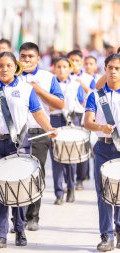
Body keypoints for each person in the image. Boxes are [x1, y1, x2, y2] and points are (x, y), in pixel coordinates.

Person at [0, 51, 56, 249]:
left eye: (8, 66)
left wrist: (49, 129)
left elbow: (38, 113)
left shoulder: (27, 89)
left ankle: (19, 228)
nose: (4, 69)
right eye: (0, 65)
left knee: (18, 187)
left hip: (18, 144)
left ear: (15, 67)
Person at [18, 42, 64, 231]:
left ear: (38, 59)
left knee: (36, 174)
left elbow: (60, 103)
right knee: (17, 175)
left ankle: (33, 216)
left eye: (30, 56)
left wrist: (39, 90)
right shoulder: (10, 74)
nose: (26, 60)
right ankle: (17, 218)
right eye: (23, 56)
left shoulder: (47, 77)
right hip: (16, 133)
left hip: (39, 131)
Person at [84, 53, 120, 251]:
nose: (113, 71)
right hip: (103, 148)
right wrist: (101, 127)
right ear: (104, 70)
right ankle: (106, 236)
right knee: (103, 193)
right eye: (110, 68)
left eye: (117, 68)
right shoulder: (95, 95)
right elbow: (87, 122)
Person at [49, 57, 85, 204]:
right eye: (59, 67)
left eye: (65, 67)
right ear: (54, 68)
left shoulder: (76, 84)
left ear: (70, 68)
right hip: (55, 120)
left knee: (71, 158)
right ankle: (58, 193)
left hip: (72, 119)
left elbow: (82, 102)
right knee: (56, 157)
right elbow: (48, 104)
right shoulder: (50, 84)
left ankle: (70, 188)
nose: (62, 69)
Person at [68, 49, 94, 191]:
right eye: (71, 60)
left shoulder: (89, 78)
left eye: (77, 61)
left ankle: (80, 178)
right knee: (69, 147)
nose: (74, 63)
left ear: (82, 62)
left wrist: (81, 84)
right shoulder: (64, 76)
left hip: (82, 116)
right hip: (69, 116)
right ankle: (69, 179)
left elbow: (93, 94)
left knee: (82, 147)